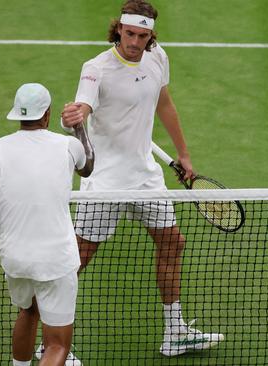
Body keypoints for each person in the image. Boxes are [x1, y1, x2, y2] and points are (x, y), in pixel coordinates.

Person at [59, 0, 224, 358]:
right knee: (77, 259)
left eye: (142, 35)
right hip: (105, 182)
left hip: (146, 177)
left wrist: (184, 154)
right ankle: (52, 343)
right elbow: (83, 107)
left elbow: (164, 102)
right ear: (118, 28)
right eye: (129, 33)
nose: (134, 41)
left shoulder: (157, 57)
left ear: (151, 34)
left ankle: (175, 332)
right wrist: (76, 113)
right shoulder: (95, 69)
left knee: (172, 243)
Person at [0, 83, 93, 366]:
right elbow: (88, 165)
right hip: (56, 261)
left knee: (28, 311)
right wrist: (79, 127)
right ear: (47, 114)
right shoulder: (68, 146)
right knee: (57, 345)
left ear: (18, 115)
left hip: (15, 259)